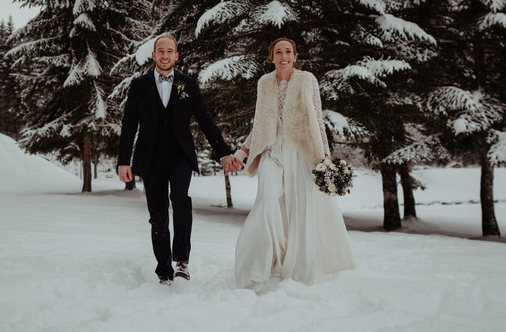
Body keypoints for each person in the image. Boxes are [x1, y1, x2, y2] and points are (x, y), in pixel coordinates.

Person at [231, 37, 355, 288]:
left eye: (288, 51)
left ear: (295, 56)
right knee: (266, 202)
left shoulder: (307, 80)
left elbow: (317, 119)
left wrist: (326, 158)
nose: (283, 56)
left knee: (301, 209)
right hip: (272, 152)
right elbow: (260, 123)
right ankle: (257, 267)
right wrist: (241, 152)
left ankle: (298, 265)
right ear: (272, 57)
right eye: (278, 52)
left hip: (300, 152)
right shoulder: (264, 83)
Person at [117, 34, 240, 285]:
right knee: (158, 212)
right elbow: (129, 124)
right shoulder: (139, 85)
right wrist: (123, 161)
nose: (165, 56)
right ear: (154, 55)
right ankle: (164, 269)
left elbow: (205, 120)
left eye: (169, 51)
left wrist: (224, 152)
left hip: (179, 155)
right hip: (150, 157)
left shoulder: (188, 84)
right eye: (160, 51)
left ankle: (182, 259)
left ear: (176, 55)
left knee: (181, 198)